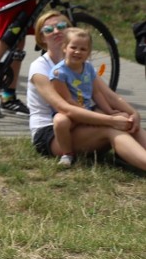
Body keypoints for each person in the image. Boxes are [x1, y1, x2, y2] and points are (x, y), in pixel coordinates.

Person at [27, 10, 146, 172]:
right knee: (111, 128)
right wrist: (110, 120)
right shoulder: (40, 67)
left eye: (61, 26)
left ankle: (127, 155)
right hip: (52, 132)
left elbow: (107, 94)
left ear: (69, 30)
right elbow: (65, 108)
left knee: (127, 120)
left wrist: (133, 113)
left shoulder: (80, 62)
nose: (56, 31)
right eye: (48, 29)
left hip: (80, 121)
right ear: (41, 38)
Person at [49, 28, 115, 167]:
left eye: (83, 49)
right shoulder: (58, 72)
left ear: (89, 52)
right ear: (64, 48)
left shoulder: (88, 68)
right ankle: (67, 154)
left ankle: (121, 152)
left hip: (87, 107)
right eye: (73, 47)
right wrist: (87, 116)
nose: (78, 51)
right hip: (70, 111)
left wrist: (109, 111)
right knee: (60, 122)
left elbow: (96, 93)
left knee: (117, 118)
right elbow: (67, 100)